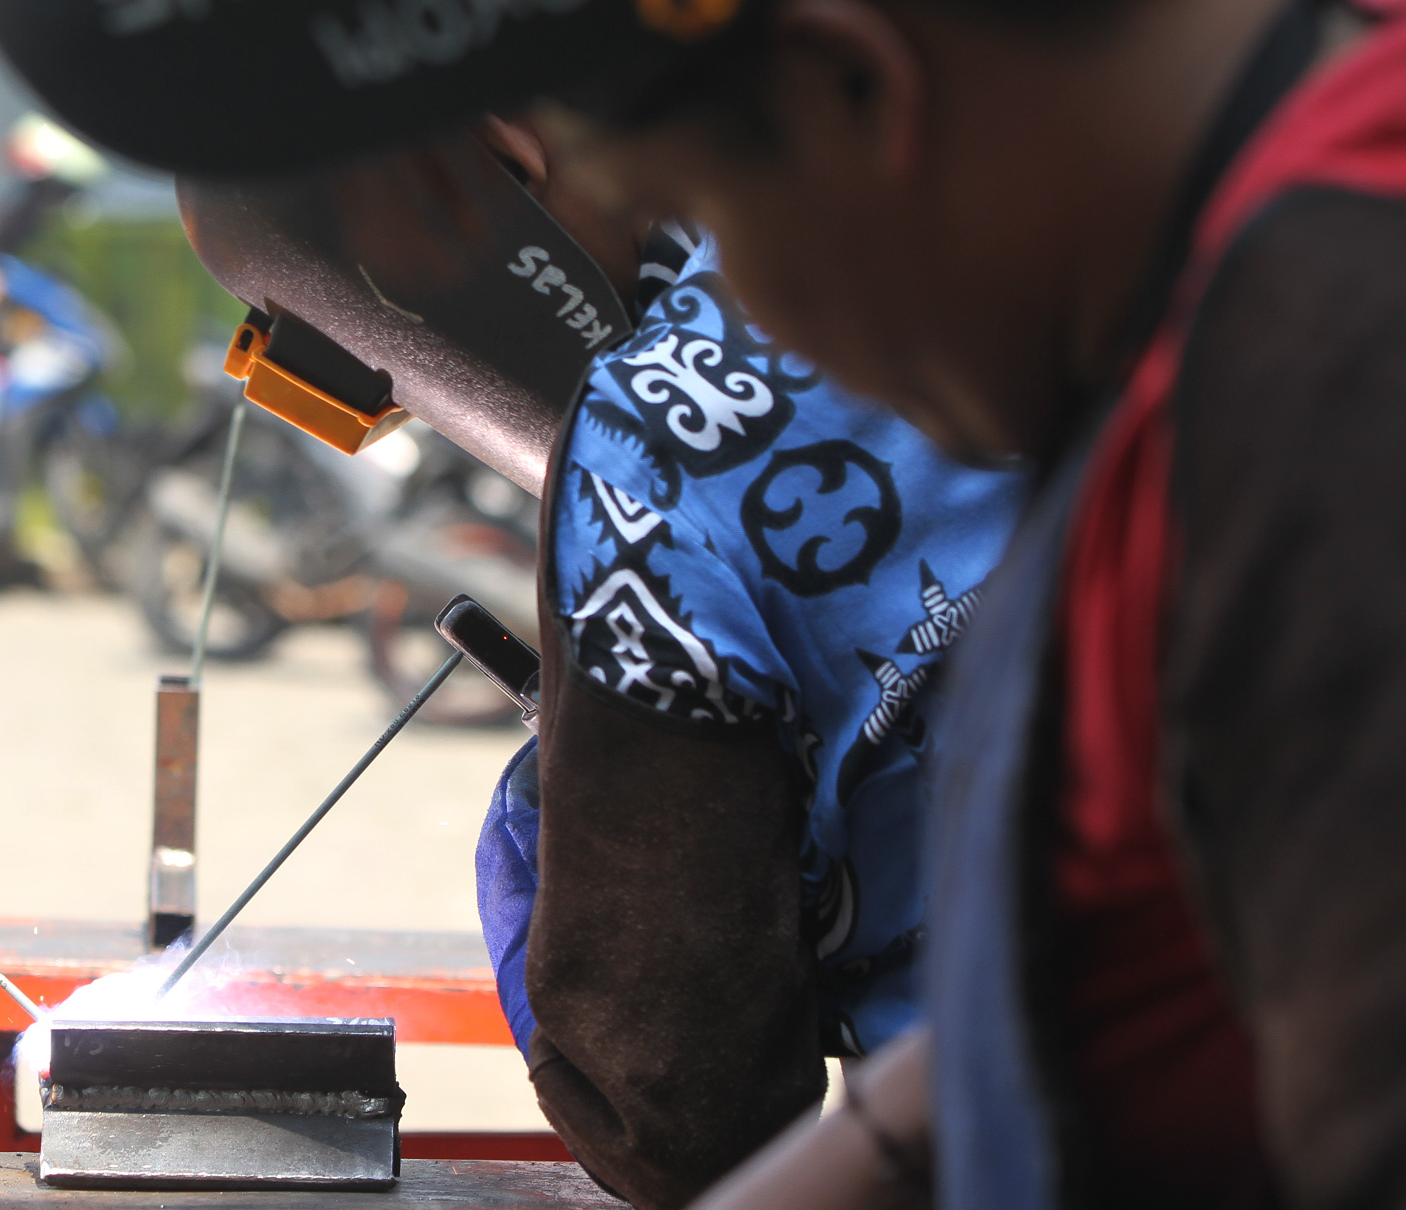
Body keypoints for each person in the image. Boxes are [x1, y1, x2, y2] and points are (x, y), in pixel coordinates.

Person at [0, 0, 1406, 1205]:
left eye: (710, 224)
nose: (750, 337)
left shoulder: (1321, 401)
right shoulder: (1236, 302)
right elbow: (1111, 983)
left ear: (852, 87)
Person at [178, 117, 1023, 1207]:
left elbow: (680, 1117)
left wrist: (572, 819)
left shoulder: (640, 460)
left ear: (498, 163)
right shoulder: (958, 136)